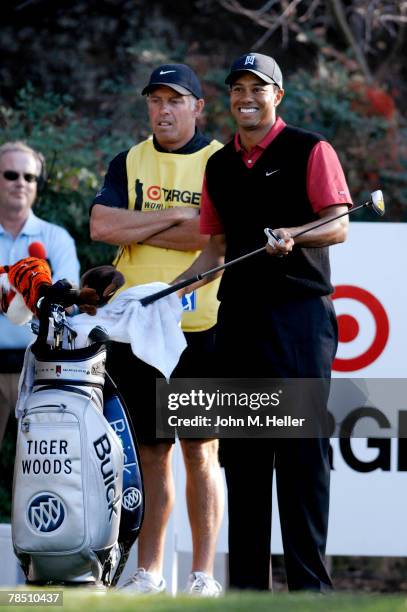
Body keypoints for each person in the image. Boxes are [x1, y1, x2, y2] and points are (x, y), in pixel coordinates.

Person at [174, 52, 352, 592]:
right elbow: (216, 250)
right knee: (246, 461)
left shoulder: (310, 148)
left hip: (299, 319)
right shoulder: (219, 165)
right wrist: (171, 290)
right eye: (237, 89)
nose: (246, 98)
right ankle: (248, 592)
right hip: (241, 321)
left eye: (258, 88)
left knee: (301, 459)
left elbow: (339, 223)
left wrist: (297, 234)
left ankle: (310, 591)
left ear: (278, 95)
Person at [90, 64, 224, 596]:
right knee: (150, 451)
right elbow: (102, 226)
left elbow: (213, 236)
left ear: (197, 107)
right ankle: (149, 573)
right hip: (135, 327)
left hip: (198, 324)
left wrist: (142, 220)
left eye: (176, 100)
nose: (164, 110)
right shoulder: (130, 160)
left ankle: (203, 576)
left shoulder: (219, 163)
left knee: (200, 450)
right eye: (155, 100)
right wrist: (175, 224)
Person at [0, 141, 80, 449]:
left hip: (41, 371)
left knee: (42, 469)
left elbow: (66, 302)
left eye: (29, 177)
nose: (21, 182)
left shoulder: (56, 238)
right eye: (10, 174)